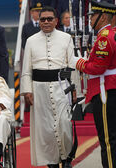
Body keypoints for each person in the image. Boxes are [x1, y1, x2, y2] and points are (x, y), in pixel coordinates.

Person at [20, 6, 76, 168]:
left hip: (62, 87)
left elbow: (72, 65)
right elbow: (26, 68)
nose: (45, 22)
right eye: (42, 19)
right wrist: (27, 91)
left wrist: (74, 90)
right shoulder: (31, 40)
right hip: (39, 89)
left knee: (64, 124)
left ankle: (66, 159)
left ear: (56, 21)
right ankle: (51, 162)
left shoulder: (66, 38)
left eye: (49, 19)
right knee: (45, 129)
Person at [74, 1, 116, 168]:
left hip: (105, 90)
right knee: (114, 137)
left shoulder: (104, 37)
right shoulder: (113, 33)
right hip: (110, 88)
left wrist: (78, 63)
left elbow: (98, 68)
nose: (90, 19)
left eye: (92, 16)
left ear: (103, 17)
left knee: (108, 139)